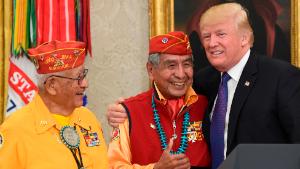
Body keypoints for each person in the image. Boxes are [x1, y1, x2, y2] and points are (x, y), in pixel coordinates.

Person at [107, 2, 300, 169]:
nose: (212, 43)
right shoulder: (205, 81)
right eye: (206, 36)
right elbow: (163, 94)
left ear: (245, 38)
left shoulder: (282, 77)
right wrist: (121, 110)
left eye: (220, 34)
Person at [108, 31, 211, 169]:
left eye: (186, 64)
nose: (181, 74)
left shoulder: (207, 105)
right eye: (171, 66)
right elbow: (114, 165)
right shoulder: (129, 112)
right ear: (151, 70)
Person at [0, 41, 108, 169]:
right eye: (78, 78)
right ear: (52, 85)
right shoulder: (16, 129)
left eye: (84, 75)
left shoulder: (88, 118)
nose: (85, 84)